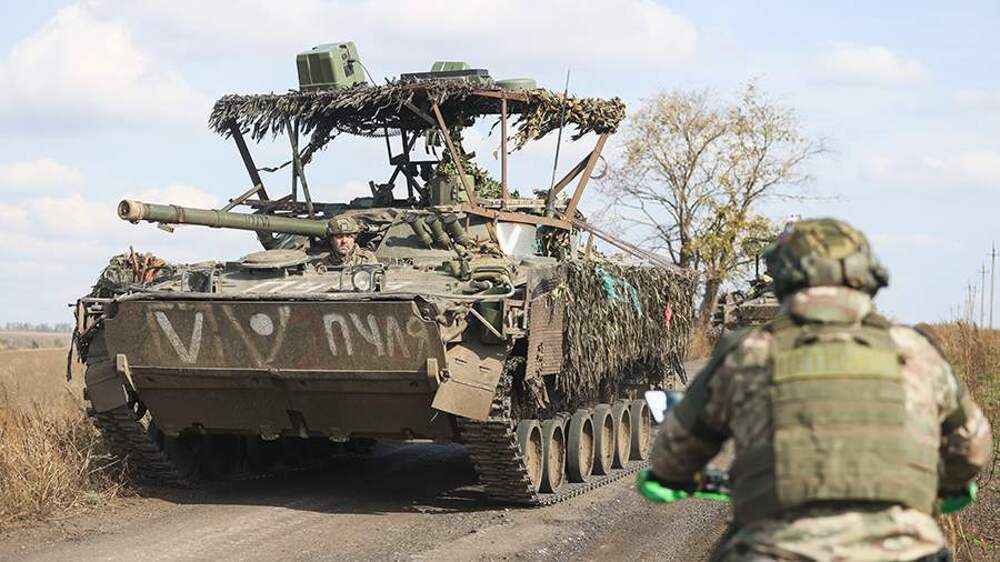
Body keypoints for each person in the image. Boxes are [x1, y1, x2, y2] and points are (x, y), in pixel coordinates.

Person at [644, 218, 993, 561]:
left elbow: (670, 460)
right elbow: (973, 450)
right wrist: (939, 482)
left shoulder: (748, 352)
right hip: (907, 550)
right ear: (868, 277)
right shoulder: (916, 351)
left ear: (782, 277)